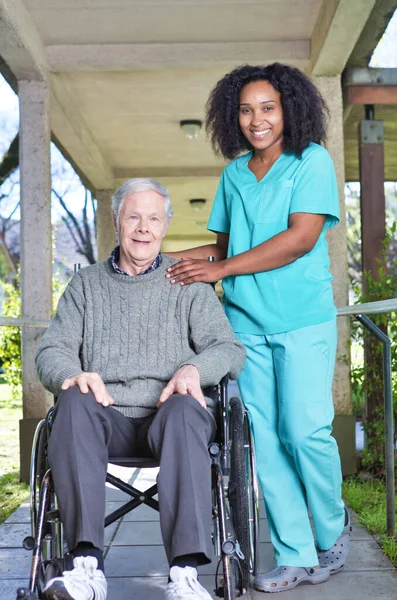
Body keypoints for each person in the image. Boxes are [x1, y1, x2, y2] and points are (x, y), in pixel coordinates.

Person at [166, 63, 351, 593]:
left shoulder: (311, 162)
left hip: (302, 321)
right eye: (246, 110)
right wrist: (162, 260)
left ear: (289, 109)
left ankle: (332, 532)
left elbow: (300, 239)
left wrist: (220, 270)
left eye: (268, 107)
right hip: (245, 324)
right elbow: (221, 250)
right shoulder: (234, 175)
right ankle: (293, 552)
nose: (257, 120)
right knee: (264, 442)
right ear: (233, 117)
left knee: (305, 430)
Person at [35, 178, 246, 600]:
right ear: (117, 222)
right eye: (133, 216)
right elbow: (51, 350)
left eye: (153, 218)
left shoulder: (188, 286)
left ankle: (184, 576)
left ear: (165, 226)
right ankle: (85, 567)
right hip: (105, 415)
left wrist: (193, 368)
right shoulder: (85, 286)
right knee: (74, 401)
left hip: (168, 415)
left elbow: (229, 349)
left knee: (189, 409)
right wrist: (72, 376)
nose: (143, 227)